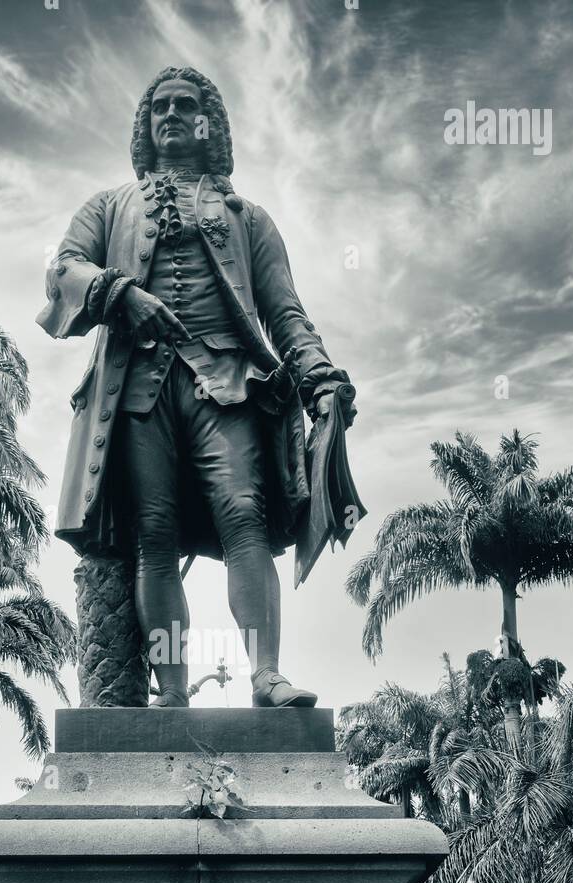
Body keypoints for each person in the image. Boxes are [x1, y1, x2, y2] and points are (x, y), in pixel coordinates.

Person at [39, 66, 357, 710]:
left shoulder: (250, 218)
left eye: (188, 105)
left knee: (243, 514)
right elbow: (63, 270)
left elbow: (285, 311)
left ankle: (266, 676)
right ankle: (174, 691)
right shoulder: (108, 207)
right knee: (152, 534)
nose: (173, 115)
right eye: (160, 106)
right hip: (138, 390)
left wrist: (320, 377)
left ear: (211, 121)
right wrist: (119, 293)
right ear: (145, 124)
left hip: (230, 385)